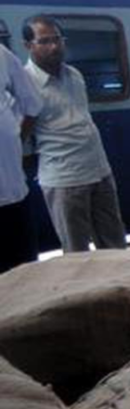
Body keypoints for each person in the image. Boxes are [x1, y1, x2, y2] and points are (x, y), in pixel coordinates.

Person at [23, 15, 128, 253]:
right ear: (28, 46)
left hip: (99, 171)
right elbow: (20, 133)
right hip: (64, 179)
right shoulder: (25, 83)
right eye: (45, 41)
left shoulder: (74, 75)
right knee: (76, 252)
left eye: (58, 39)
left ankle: (117, 291)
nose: (54, 46)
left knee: (115, 243)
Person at [0, 43, 43, 273]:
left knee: (24, 276)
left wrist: (15, 140)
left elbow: (32, 103)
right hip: (12, 193)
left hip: (12, 193)